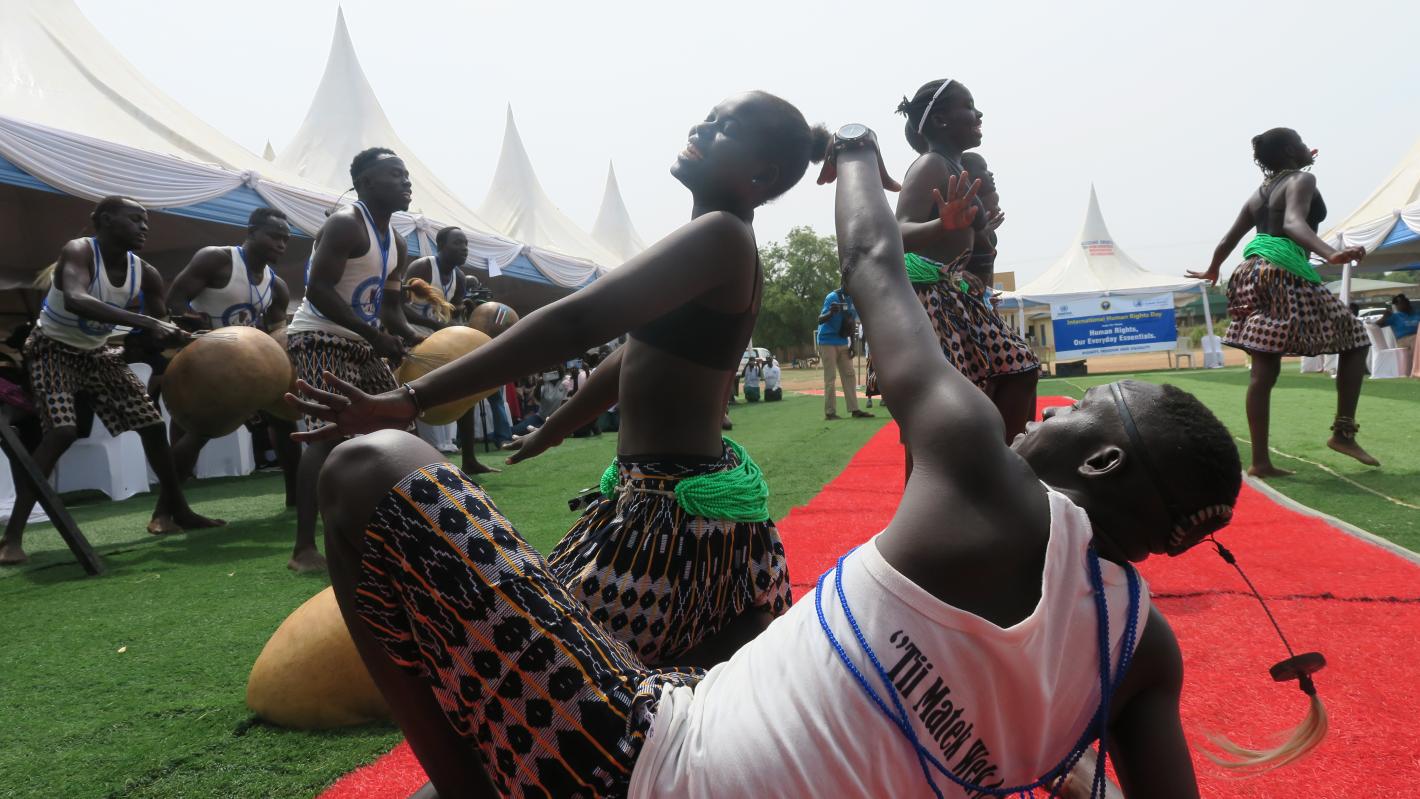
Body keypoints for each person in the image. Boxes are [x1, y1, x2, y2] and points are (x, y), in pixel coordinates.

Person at [301, 127, 1247, 799]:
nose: (1047, 408)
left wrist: (861, 152)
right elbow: (623, 354)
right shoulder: (1142, 649)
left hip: (642, 759)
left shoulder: (980, 471)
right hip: (692, 587)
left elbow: (867, 258)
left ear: (1106, 458)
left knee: (367, 466)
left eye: (1079, 409)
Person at [292, 91, 829, 674]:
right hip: (656, 498)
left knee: (556, 669)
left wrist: (411, 397)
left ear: (760, 174)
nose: (702, 124)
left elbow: (578, 320)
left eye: (726, 127)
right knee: (617, 669)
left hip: (674, 514)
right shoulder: (709, 238)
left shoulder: (720, 235)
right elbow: (631, 357)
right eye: (709, 114)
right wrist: (555, 426)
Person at [0, 197, 224, 565]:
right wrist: (150, 323)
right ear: (105, 220)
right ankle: (12, 536)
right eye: (135, 219)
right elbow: (75, 298)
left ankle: (173, 511)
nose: (144, 227)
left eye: (146, 221)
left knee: (152, 424)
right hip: (52, 349)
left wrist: (182, 331)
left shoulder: (146, 273)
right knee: (61, 432)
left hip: (98, 355)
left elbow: (157, 329)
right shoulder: (78, 251)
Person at [1187, 127, 1376, 475]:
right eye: (1303, 144)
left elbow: (1228, 240)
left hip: (1250, 272)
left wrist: (1214, 269)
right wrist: (1331, 254)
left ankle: (1260, 462)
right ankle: (1343, 433)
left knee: (1263, 370)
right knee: (1357, 339)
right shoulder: (1302, 179)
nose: (1309, 149)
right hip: (1283, 271)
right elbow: (1292, 222)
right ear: (1291, 150)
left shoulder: (1258, 195)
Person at [282, 147, 424, 573]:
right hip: (318, 336)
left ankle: (404, 530)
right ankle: (304, 548)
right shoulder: (345, 224)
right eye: (394, 174)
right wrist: (374, 335)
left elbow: (391, 308)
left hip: (360, 340)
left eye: (406, 174)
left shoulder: (396, 243)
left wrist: (412, 338)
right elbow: (320, 290)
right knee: (325, 434)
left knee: (402, 420)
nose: (406, 182)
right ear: (364, 183)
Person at [894, 80, 1038, 446]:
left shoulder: (953, 167)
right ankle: (976, 476)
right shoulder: (930, 165)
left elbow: (977, 257)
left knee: (1018, 369)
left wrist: (982, 231)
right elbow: (898, 231)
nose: (979, 114)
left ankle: (1000, 466)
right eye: (969, 106)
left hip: (957, 299)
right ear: (940, 120)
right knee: (939, 413)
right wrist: (943, 223)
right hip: (930, 303)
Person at [164, 207, 299, 505]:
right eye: (274, 236)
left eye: (286, 239)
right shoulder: (217, 259)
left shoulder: (277, 286)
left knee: (283, 419)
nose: (281, 245)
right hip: (202, 363)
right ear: (252, 232)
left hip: (246, 367)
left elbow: (278, 336)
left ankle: (295, 497)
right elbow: (173, 300)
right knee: (196, 434)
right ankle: (168, 509)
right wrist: (190, 322)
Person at [817, 285, 872, 419]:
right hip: (827, 340)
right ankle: (830, 412)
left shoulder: (853, 299)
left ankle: (854, 409)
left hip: (842, 341)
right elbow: (820, 319)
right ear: (844, 283)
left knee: (849, 375)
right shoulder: (832, 297)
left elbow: (852, 322)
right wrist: (830, 312)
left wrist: (852, 345)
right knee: (830, 378)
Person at [403, 226, 467, 336]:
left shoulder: (460, 278)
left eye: (466, 244)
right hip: (407, 335)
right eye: (457, 243)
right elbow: (396, 306)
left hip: (435, 340)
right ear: (441, 246)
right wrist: (434, 324)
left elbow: (453, 315)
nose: (464, 248)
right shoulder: (423, 267)